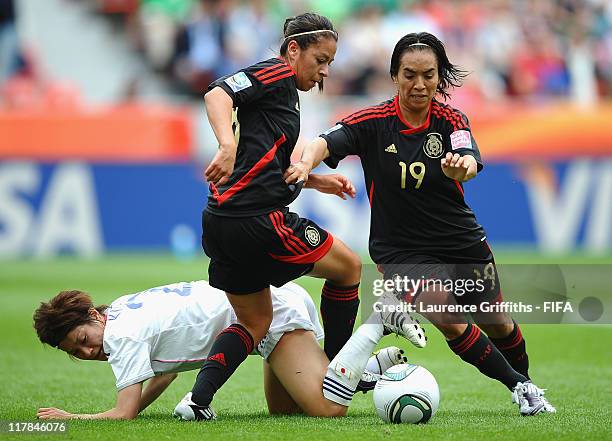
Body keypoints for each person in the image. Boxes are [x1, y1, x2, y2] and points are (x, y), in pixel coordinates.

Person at [285, 32, 555, 416]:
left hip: (460, 242)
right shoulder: (373, 122)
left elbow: (468, 158)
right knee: (448, 319)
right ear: (395, 75)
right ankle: (520, 388)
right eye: (409, 74)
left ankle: (527, 383)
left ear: (439, 75)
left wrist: (462, 165)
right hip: (400, 251)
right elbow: (323, 142)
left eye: (429, 75)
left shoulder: (450, 120)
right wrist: (304, 162)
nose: (419, 84)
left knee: (497, 322)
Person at [194, 12, 375, 419]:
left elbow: (262, 164)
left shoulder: (283, 92)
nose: (325, 71)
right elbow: (217, 95)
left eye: (330, 62)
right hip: (258, 221)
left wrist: (313, 181)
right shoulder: (276, 74)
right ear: (294, 50)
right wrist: (224, 145)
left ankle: (197, 400)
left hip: (221, 222)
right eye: (320, 60)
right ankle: (338, 371)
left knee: (257, 321)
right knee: (348, 267)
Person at [32, 279, 423, 420]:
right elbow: (164, 372)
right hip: (262, 308)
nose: (87, 353)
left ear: (92, 317)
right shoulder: (118, 311)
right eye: (76, 352)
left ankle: (379, 320)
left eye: (83, 340)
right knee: (287, 413)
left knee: (327, 408)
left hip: (269, 314)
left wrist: (71, 418)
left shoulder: (121, 335)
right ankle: (367, 369)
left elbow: (123, 412)